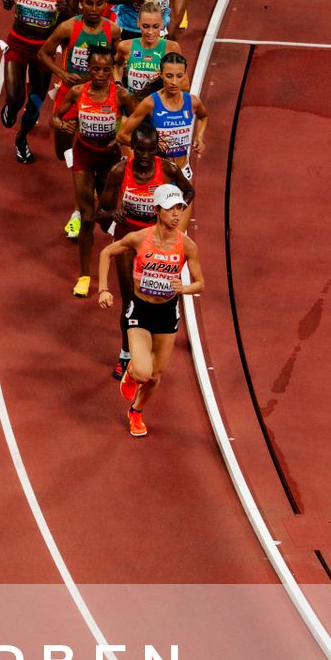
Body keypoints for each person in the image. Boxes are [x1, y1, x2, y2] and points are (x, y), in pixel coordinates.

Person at [97, 183, 205, 437]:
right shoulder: (139, 238)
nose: (176, 214)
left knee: (155, 376)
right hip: (141, 310)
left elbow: (201, 282)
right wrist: (103, 289)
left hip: (167, 313)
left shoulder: (188, 246)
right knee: (143, 371)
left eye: (179, 208)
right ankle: (132, 375)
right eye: (170, 209)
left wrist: (184, 288)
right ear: (157, 210)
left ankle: (136, 412)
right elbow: (107, 252)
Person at [97, 126, 194, 379]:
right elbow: (101, 212)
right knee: (131, 300)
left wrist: (175, 220)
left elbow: (189, 191)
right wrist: (112, 214)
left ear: (156, 149)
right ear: (132, 147)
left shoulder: (168, 169)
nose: (145, 155)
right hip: (130, 237)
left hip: (157, 239)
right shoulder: (120, 171)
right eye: (140, 149)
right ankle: (125, 354)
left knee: (156, 295)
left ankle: (152, 343)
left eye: (150, 150)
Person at [47, 47, 132, 297]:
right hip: (84, 156)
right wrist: (63, 124)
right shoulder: (77, 92)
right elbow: (55, 118)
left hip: (109, 159)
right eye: (96, 69)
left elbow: (140, 116)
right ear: (88, 68)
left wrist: (121, 137)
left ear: (112, 69)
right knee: (86, 218)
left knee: (106, 219)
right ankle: (84, 276)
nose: (101, 74)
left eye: (107, 69)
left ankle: (126, 257)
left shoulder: (121, 95)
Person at [0, 0, 68, 162]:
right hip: (17, 44)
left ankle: (21, 139)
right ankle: (11, 108)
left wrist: (68, 9)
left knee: (35, 104)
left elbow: (76, 16)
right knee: (16, 99)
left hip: (43, 52)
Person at [117, 50, 208, 180]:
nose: (174, 82)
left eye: (179, 76)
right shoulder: (150, 103)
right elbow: (122, 135)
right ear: (161, 75)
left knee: (189, 199)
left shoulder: (193, 102)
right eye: (169, 76)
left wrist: (199, 137)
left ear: (185, 75)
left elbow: (204, 116)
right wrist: (149, 147)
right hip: (158, 172)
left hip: (183, 170)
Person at [114, 0, 181, 101]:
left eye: (155, 26)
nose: (150, 32)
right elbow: (117, 66)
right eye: (145, 26)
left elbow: (185, 86)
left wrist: (166, 77)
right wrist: (118, 84)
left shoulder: (172, 48)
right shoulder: (125, 46)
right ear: (138, 23)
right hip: (132, 108)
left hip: (157, 109)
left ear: (162, 24)